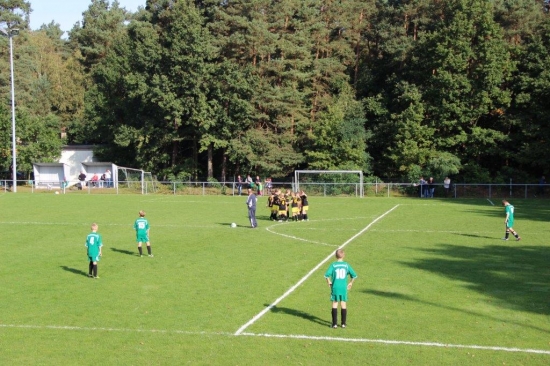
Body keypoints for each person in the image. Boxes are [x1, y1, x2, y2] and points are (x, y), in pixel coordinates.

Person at [324, 249, 357, 329]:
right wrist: (351, 283)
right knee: (343, 304)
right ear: (344, 256)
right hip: (343, 288)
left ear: (335, 256)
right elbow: (354, 275)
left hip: (335, 287)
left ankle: (334, 324)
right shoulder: (346, 265)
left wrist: (329, 281)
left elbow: (326, 275)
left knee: (335, 304)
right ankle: (343, 324)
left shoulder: (333, 265)